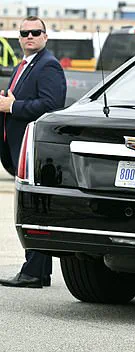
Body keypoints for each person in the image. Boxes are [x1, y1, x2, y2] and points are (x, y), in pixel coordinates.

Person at [0, 16, 66, 289]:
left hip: (34, 148)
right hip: (18, 147)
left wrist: (13, 107)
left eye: (35, 32)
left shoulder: (48, 65)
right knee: (32, 207)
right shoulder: (25, 65)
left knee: (34, 209)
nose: (30, 36)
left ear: (45, 36)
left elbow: (52, 105)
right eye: (25, 33)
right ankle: (38, 270)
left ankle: (34, 272)